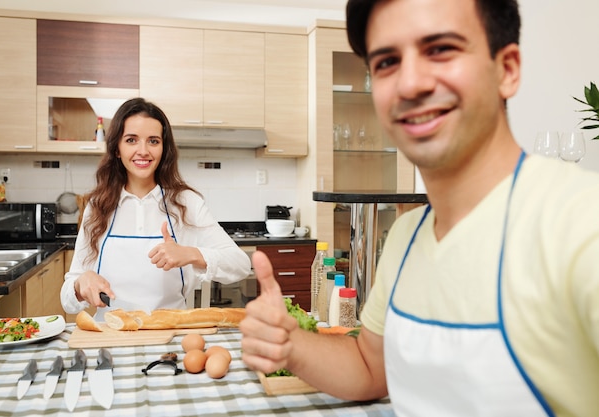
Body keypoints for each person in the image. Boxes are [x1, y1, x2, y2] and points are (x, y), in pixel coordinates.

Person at [240, 0, 599, 416]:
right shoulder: (406, 237)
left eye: (440, 49)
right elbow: (370, 367)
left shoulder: (580, 221)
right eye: (388, 61)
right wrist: (290, 342)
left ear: (507, 69)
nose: (410, 84)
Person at [61, 98, 251, 320]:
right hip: (110, 334)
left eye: (153, 141)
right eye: (131, 140)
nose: (143, 151)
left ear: (164, 149)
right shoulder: (98, 206)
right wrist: (79, 284)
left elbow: (240, 264)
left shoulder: (186, 203)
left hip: (170, 334)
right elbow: (67, 301)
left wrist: (191, 254)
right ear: (117, 150)